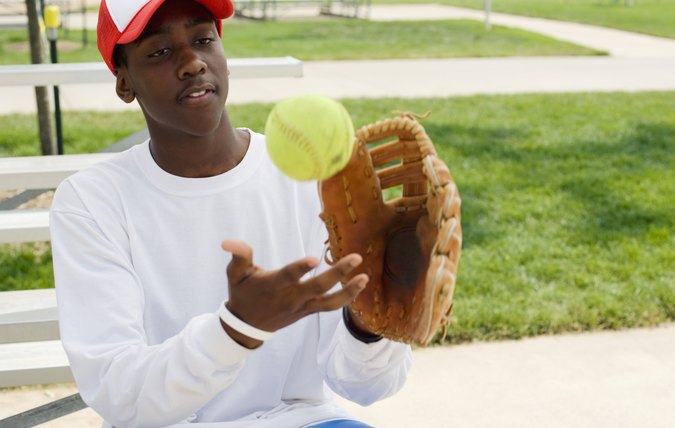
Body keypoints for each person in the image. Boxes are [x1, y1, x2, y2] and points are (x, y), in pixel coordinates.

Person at [49, 0, 412, 427]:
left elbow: (368, 386)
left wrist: (371, 316)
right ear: (125, 83)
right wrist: (236, 329)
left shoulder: (310, 179)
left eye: (204, 39)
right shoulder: (91, 202)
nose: (191, 63)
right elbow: (122, 397)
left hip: (302, 420)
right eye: (159, 52)